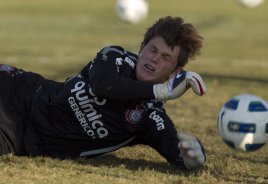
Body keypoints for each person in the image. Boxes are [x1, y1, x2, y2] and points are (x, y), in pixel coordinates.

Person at [0, 16, 207, 170]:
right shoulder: (115, 57)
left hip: (19, 135)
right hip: (20, 89)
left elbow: (176, 150)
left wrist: (195, 157)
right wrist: (161, 90)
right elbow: (104, 86)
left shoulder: (149, 117)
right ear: (142, 47)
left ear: (175, 72)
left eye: (165, 57)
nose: (154, 59)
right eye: (152, 50)